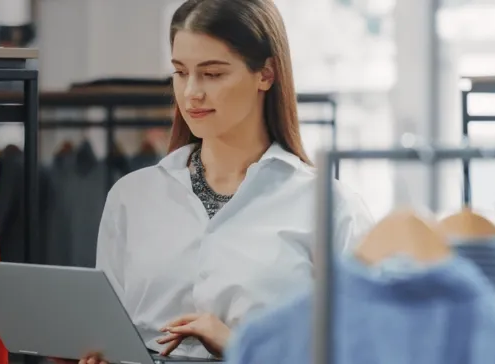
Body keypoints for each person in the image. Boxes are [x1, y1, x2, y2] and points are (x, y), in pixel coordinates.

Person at [77, 0, 373, 363]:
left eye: (212, 74)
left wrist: (241, 347)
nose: (191, 93)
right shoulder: (132, 196)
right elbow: (109, 336)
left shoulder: (329, 207)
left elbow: (362, 350)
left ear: (266, 74)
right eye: (181, 72)